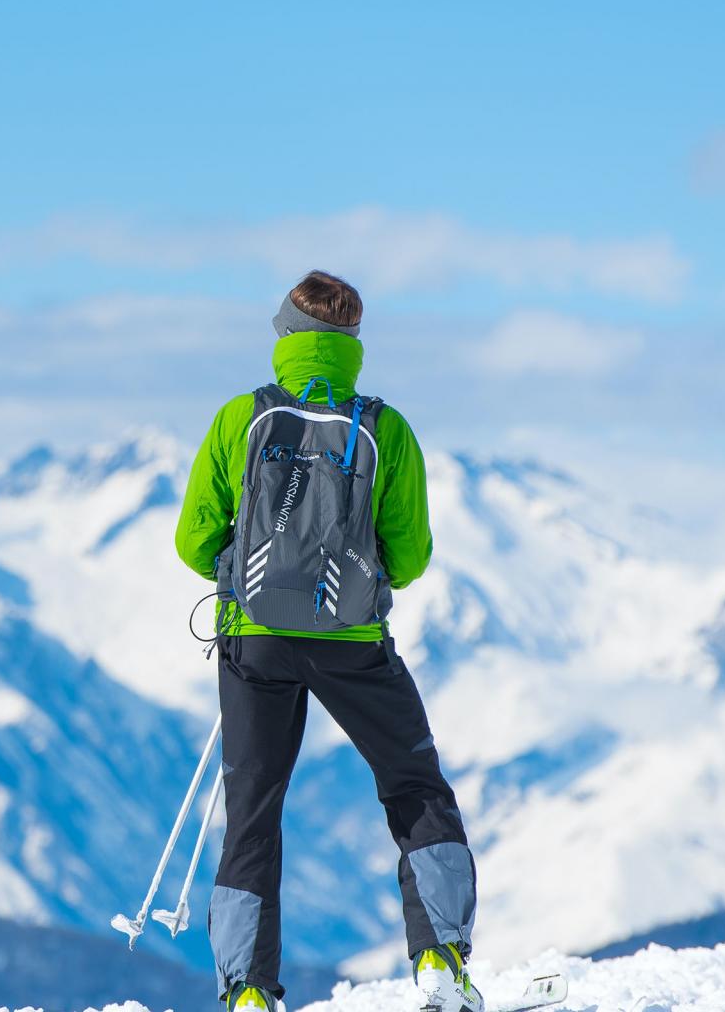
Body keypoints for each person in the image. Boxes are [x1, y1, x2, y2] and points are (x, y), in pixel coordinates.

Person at [173, 271, 479, 1012]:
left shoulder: (239, 419)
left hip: (256, 640)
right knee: (413, 785)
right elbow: (409, 558)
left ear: (284, 337)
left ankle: (248, 991)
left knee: (254, 808)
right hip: (353, 638)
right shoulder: (385, 427)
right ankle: (439, 956)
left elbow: (192, 542)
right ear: (353, 345)